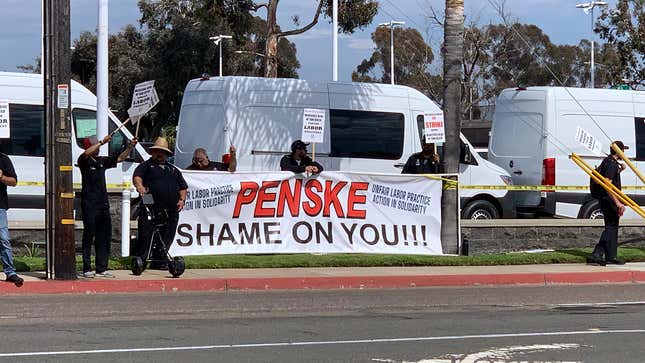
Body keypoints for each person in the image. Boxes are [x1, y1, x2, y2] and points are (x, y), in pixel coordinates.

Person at [78, 135, 138, 278]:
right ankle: (86, 268)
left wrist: (130, 147)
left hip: (103, 204)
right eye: (94, 146)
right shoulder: (84, 162)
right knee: (89, 235)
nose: (98, 150)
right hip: (89, 204)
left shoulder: (101, 161)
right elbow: (85, 154)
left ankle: (101, 268)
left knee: (104, 236)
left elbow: (120, 158)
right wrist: (101, 142)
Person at [133, 137, 188, 270]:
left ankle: (160, 260)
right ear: (153, 152)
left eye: (162, 152)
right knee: (146, 232)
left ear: (166, 154)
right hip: (150, 202)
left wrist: (182, 200)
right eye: (157, 151)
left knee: (167, 233)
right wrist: (140, 187)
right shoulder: (146, 166)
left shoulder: (173, 170)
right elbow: (137, 177)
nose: (159, 154)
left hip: (170, 207)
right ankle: (142, 259)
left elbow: (183, 187)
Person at [587, 140, 628, 266]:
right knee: (611, 227)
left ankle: (611, 256)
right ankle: (597, 253)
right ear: (619, 151)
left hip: (606, 199)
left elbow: (608, 179)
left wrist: (620, 170)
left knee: (612, 227)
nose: (624, 153)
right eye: (623, 150)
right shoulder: (612, 164)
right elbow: (608, 185)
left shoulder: (608, 161)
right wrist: (618, 203)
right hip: (609, 200)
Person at [0, 152, 22, 287]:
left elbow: (13, 181)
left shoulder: (3, 159)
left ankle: (10, 272)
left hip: (0, 206)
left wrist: (2, 177)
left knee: (3, 239)